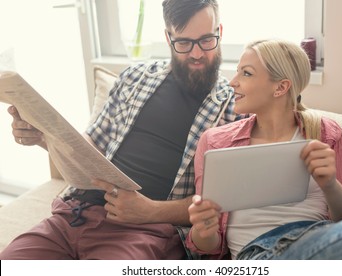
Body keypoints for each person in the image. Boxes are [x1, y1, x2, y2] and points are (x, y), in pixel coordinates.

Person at [0, 0, 242, 260]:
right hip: (74, 214)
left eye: (207, 40)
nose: (196, 53)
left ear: (220, 32)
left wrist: (150, 211)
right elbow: (90, 148)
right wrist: (43, 137)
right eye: (183, 43)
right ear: (168, 37)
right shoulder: (134, 78)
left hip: (143, 231)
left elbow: (219, 203)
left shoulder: (234, 108)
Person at [186, 39, 342, 260]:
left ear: (281, 87)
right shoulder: (216, 142)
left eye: (246, 73)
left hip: (321, 239)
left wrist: (330, 184)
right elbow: (209, 244)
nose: (232, 82)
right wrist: (202, 228)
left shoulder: (324, 132)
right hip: (261, 254)